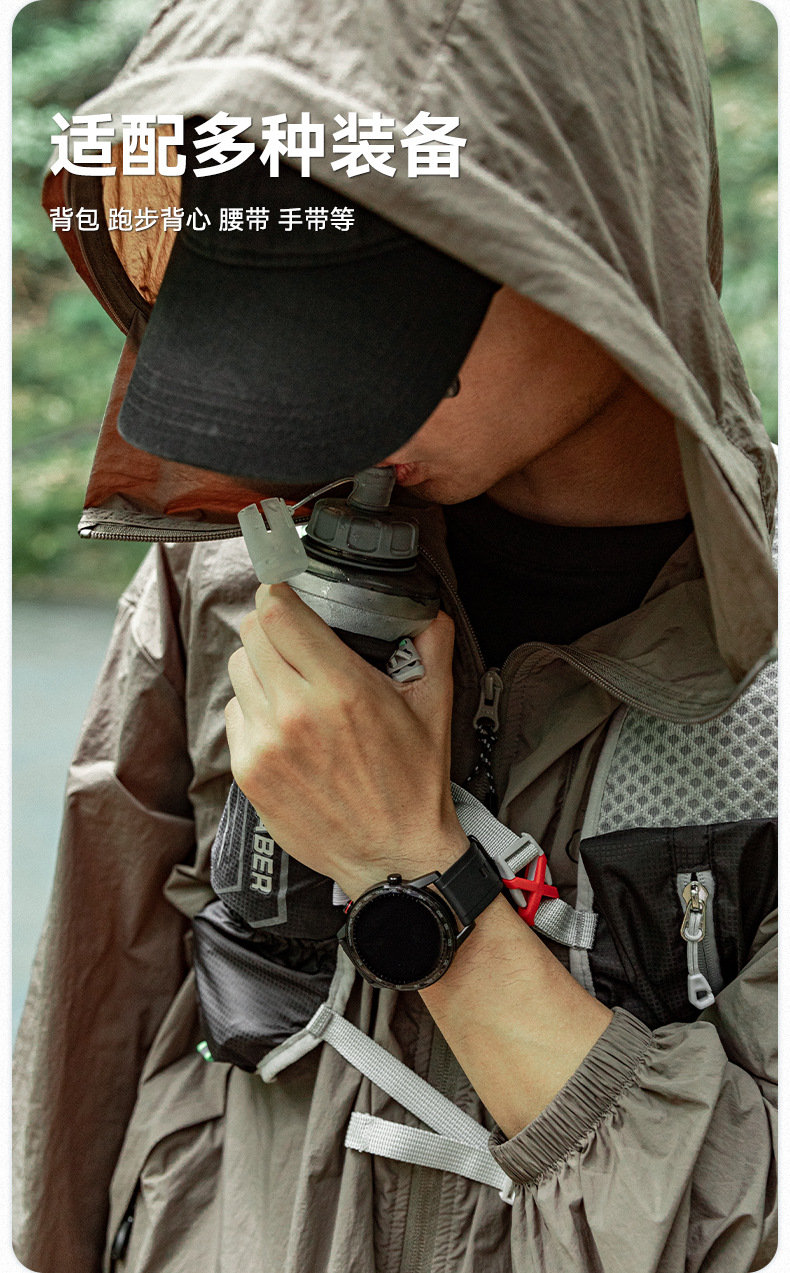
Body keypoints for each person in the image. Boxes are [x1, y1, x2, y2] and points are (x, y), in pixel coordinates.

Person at [13, 2, 777, 1271]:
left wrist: (410, 871)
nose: (318, 414)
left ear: (599, 238)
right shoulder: (230, 575)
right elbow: (90, 1067)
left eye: (376, 324)